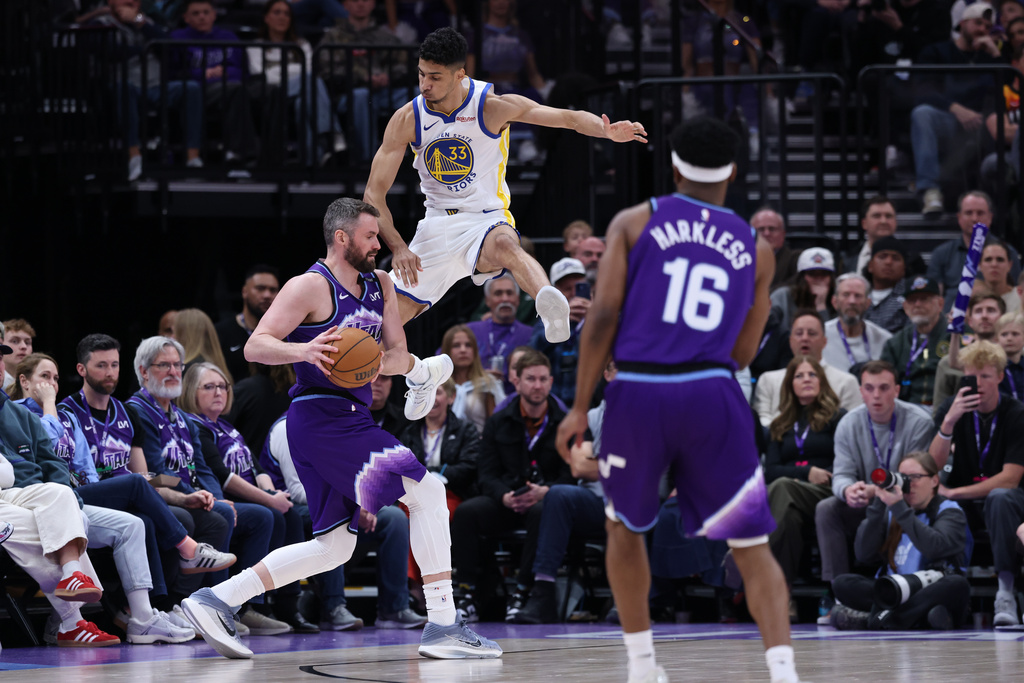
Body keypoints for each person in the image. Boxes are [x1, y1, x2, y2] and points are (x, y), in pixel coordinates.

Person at [179, 197, 500, 660]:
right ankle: (444, 623)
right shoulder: (309, 286)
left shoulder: (382, 284)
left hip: (349, 416)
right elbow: (256, 346)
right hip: (320, 417)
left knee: (333, 549)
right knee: (427, 492)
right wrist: (304, 352)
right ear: (342, 237)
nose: (379, 244)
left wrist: (385, 363)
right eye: (371, 236)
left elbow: (394, 354)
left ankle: (216, 600)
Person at [557, 116, 806, 683]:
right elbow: (744, 353)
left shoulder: (634, 221)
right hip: (712, 392)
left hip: (640, 390)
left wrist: (577, 407)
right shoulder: (755, 247)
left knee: (625, 527)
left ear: (673, 168)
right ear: (733, 172)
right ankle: (784, 671)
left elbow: (601, 316)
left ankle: (644, 667)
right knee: (750, 541)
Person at [362, 26, 646, 348]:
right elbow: (373, 194)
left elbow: (566, 118)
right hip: (435, 225)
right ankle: (425, 377)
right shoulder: (408, 118)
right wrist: (399, 247)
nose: (425, 85)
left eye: (435, 77)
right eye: (421, 74)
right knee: (378, 335)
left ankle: (549, 303)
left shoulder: (490, 106)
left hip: (484, 218)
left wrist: (606, 131)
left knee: (506, 247)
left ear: (459, 75)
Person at [127, 336, 283, 636]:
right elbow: (155, 474)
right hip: (162, 496)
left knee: (260, 516)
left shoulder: (184, 419)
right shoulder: (137, 411)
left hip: (193, 495)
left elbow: (202, 467)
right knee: (217, 517)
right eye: (164, 366)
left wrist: (218, 497)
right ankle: (201, 605)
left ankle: (241, 606)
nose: (173, 372)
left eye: (177, 365)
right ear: (144, 372)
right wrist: (190, 494)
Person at [180, 362, 315, 633]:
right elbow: (223, 476)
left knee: (287, 514)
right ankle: (248, 605)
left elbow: (257, 468)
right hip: (224, 498)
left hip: (249, 497)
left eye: (222, 386)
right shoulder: (197, 426)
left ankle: (285, 604)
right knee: (270, 514)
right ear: (192, 392)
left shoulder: (227, 427)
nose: (219, 392)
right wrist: (268, 499)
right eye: (209, 387)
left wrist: (271, 492)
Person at [258, 415, 427, 631]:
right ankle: (333, 606)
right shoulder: (287, 428)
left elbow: (356, 477)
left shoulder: (339, 426)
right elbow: (298, 491)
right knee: (335, 516)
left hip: (339, 504)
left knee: (394, 518)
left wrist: (364, 501)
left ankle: (394, 609)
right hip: (295, 511)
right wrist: (352, 506)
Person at [450, 348, 572, 624]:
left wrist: (547, 490)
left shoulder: (565, 422)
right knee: (468, 512)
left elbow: (571, 474)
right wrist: (503, 496)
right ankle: (468, 593)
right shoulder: (497, 422)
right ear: (516, 382)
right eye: (531, 379)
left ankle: (524, 591)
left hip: (544, 499)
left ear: (551, 382)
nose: (537, 385)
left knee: (545, 511)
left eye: (543, 379)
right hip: (506, 499)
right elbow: (486, 473)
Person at [816, 360, 935, 603]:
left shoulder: (919, 422)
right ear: (860, 391)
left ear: (897, 390)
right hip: (867, 504)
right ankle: (838, 593)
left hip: (904, 504)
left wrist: (872, 490)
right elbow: (841, 474)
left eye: (884, 387)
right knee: (827, 508)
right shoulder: (848, 423)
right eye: (869, 388)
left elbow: (914, 478)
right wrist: (848, 490)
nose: (876, 395)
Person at [929, 340, 1024, 626]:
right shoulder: (953, 408)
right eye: (973, 376)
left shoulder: (1016, 413)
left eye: (985, 375)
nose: (979, 383)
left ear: (999, 376)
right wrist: (948, 423)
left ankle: (1005, 591)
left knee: (999, 497)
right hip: (966, 499)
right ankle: (943, 593)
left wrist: (955, 491)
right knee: (938, 504)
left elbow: (1010, 478)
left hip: (1010, 499)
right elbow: (932, 465)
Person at [513, 361, 614, 625]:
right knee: (558, 494)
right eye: (618, 369)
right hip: (597, 501)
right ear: (607, 374)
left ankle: (628, 598)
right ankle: (543, 591)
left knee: (637, 502)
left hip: (637, 500)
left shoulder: (651, 414)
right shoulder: (592, 417)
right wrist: (625, 465)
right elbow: (580, 466)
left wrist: (602, 464)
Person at [829, 452, 971, 631]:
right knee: (843, 583)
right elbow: (863, 554)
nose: (908, 484)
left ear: (934, 481)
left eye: (915, 477)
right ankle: (919, 619)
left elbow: (935, 547)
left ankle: (877, 620)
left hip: (930, 589)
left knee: (957, 585)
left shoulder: (949, 511)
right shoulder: (892, 511)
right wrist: (878, 505)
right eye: (903, 478)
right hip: (894, 591)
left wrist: (900, 509)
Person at [86, 0, 204, 179]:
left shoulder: (147, 21)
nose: (130, 1)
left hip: (156, 87)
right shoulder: (100, 24)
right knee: (123, 88)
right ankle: (134, 157)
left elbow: (169, 46)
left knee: (191, 88)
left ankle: (192, 158)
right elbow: (111, 53)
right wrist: (145, 48)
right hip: (123, 88)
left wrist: (140, 22)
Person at [764, 357, 846, 614]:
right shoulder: (779, 426)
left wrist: (820, 474)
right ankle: (784, 596)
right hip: (790, 493)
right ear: (790, 384)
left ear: (821, 381)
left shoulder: (837, 418)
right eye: (800, 376)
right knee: (786, 515)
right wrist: (805, 472)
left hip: (825, 491)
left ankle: (751, 558)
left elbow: (845, 460)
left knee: (782, 487)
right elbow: (771, 471)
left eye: (812, 374)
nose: (807, 379)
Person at [911, 3, 1005, 214]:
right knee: (922, 114)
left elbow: (1008, 91)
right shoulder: (937, 51)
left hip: (982, 123)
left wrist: (995, 55)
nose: (982, 29)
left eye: (988, 26)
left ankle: (991, 204)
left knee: (997, 122)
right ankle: (930, 191)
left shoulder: (990, 59)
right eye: (978, 23)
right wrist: (954, 108)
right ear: (962, 23)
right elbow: (922, 90)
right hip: (947, 120)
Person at [247, 0, 345, 166]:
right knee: (310, 82)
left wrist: (281, 71)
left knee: (303, 103)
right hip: (274, 94)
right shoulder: (256, 47)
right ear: (266, 18)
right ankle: (333, 135)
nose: (282, 17)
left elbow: (306, 71)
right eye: (277, 12)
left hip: (300, 93)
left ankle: (313, 160)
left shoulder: (302, 44)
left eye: (286, 14)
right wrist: (293, 71)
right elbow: (265, 77)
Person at [316, 0, 413, 162]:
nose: (360, 4)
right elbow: (326, 69)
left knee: (417, 94)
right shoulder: (333, 36)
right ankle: (367, 160)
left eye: (366, 0)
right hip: (347, 94)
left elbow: (404, 65)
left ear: (374, 4)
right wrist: (362, 78)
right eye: (355, 0)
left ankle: (417, 157)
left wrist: (387, 76)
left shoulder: (386, 37)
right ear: (345, 5)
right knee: (362, 95)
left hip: (385, 91)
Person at [171, 0, 261, 163]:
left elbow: (243, 70)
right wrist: (202, 74)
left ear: (214, 15)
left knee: (269, 89)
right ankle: (241, 153)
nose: (202, 17)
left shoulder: (228, 37)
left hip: (230, 83)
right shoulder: (177, 37)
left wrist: (226, 71)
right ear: (186, 18)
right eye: (196, 13)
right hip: (198, 88)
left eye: (206, 12)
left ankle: (273, 155)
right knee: (235, 89)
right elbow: (173, 72)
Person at [752, 311, 862, 428]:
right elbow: (762, 422)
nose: (805, 338)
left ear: (824, 341)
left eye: (812, 333)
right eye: (799, 333)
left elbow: (852, 427)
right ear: (790, 341)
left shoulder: (847, 382)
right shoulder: (768, 380)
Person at [927, 191, 1022, 311]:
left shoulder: (1008, 252)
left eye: (980, 213)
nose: (974, 218)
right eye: (968, 213)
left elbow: (1017, 290)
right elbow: (934, 296)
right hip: (951, 320)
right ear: (959, 217)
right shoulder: (941, 253)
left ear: (990, 217)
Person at [881, 276, 951, 407]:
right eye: (912, 300)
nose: (918, 304)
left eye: (924, 299)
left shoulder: (955, 335)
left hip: (947, 407)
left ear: (940, 304)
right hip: (906, 409)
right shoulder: (896, 343)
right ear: (905, 306)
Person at [530, 257, 592, 404]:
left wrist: (594, 319)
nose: (572, 294)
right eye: (566, 289)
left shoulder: (600, 316)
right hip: (551, 403)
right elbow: (531, 353)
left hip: (589, 402)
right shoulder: (545, 321)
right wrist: (559, 320)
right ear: (556, 292)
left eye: (577, 288)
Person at [932, 291, 1006, 407]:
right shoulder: (947, 363)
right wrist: (955, 332)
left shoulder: (1016, 356)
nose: (984, 315)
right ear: (970, 321)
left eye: (991, 310)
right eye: (978, 311)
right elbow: (939, 410)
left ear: (1003, 318)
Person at [465, 272, 533, 389]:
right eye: (498, 293)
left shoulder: (531, 334)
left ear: (518, 299)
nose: (505, 299)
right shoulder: (469, 332)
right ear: (487, 301)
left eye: (509, 293)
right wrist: (477, 376)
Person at [215, 265, 281, 384]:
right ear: (244, 291)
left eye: (273, 290)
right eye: (260, 288)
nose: (267, 295)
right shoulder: (221, 332)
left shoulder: (284, 334)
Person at [823, 273, 893, 373]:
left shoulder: (884, 339)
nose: (852, 301)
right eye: (846, 295)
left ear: (868, 303)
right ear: (835, 302)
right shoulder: (820, 335)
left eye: (858, 296)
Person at [441, 324, 505, 434]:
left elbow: (497, 426)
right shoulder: (438, 385)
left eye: (468, 345)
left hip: (478, 447)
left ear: (475, 350)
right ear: (447, 350)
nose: (463, 350)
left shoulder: (487, 383)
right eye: (456, 345)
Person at [769, 247, 837, 333]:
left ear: (831, 278)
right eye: (812, 274)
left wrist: (821, 305)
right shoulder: (783, 296)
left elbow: (829, 339)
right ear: (801, 277)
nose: (818, 279)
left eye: (823, 274)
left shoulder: (838, 299)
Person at [862, 235, 911, 334]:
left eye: (896, 258)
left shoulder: (911, 298)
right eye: (882, 256)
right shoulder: (857, 295)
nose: (889, 262)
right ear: (870, 265)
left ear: (904, 269)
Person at [175, 308, 234, 383]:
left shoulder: (187, 370)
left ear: (182, 334)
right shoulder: (220, 366)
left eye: (174, 331)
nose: (171, 337)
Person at [750, 207, 799, 291]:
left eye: (772, 229)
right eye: (761, 229)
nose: (767, 233)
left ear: (783, 234)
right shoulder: (742, 260)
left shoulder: (796, 259)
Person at [978, 240, 1022, 313]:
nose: (994, 264)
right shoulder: (968, 296)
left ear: (1009, 265)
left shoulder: (1021, 296)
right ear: (980, 265)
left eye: (1000, 259)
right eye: (988, 259)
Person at [996, 311, 1024, 399]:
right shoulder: (993, 367)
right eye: (1004, 334)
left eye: (1015, 334)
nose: (1009, 338)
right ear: (997, 339)